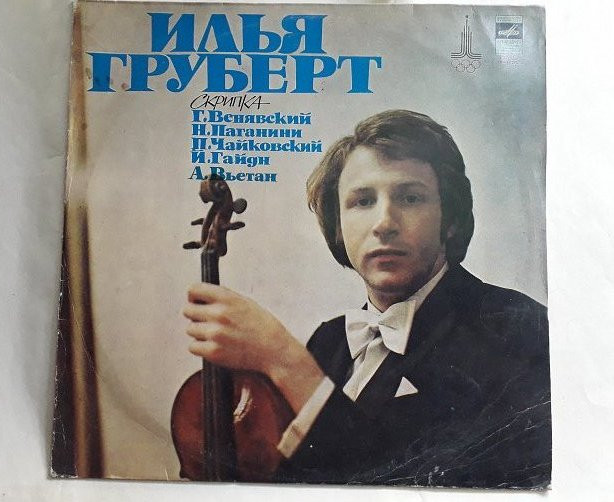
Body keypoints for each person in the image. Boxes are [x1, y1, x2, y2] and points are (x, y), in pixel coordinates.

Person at [183, 110, 551, 488]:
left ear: (451, 219)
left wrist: (285, 360)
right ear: (338, 228)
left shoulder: (520, 331)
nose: (384, 223)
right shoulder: (328, 342)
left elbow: (415, 484)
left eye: (410, 198)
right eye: (362, 201)